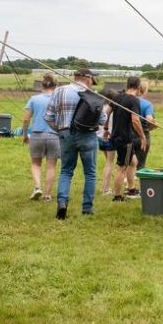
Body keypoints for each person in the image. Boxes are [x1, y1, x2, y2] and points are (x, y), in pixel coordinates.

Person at [45, 68, 107, 219]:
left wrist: (60, 130)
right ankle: (87, 208)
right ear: (88, 79)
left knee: (66, 171)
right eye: (92, 80)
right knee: (90, 173)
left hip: (65, 133)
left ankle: (62, 203)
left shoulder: (60, 91)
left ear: (75, 77)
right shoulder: (93, 95)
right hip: (88, 136)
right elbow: (103, 120)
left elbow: (48, 116)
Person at [22, 73, 61, 201]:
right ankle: (47, 195)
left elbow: (26, 119)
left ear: (42, 85)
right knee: (51, 166)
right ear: (56, 85)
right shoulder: (59, 100)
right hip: (54, 136)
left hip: (36, 135)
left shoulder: (34, 99)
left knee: (36, 163)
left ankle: (38, 187)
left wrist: (24, 135)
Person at [108, 78, 147, 202]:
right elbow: (135, 120)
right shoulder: (134, 100)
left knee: (133, 162)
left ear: (127, 84)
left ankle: (131, 189)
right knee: (122, 167)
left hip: (115, 136)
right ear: (138, 87)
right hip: (125, 139)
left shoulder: (117, 97)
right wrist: (142, 136)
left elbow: (107, 112)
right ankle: (117, 196)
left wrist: (105, 128)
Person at [135, 80, 157, 176]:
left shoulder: (127, 101)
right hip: (143, 135)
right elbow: (149, 119)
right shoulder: (147, 104)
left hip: (128, 134)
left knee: (127, 162)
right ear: (144, 90)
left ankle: (126, 179)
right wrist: (154, 124)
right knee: (141, 163)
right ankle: (138, 180)